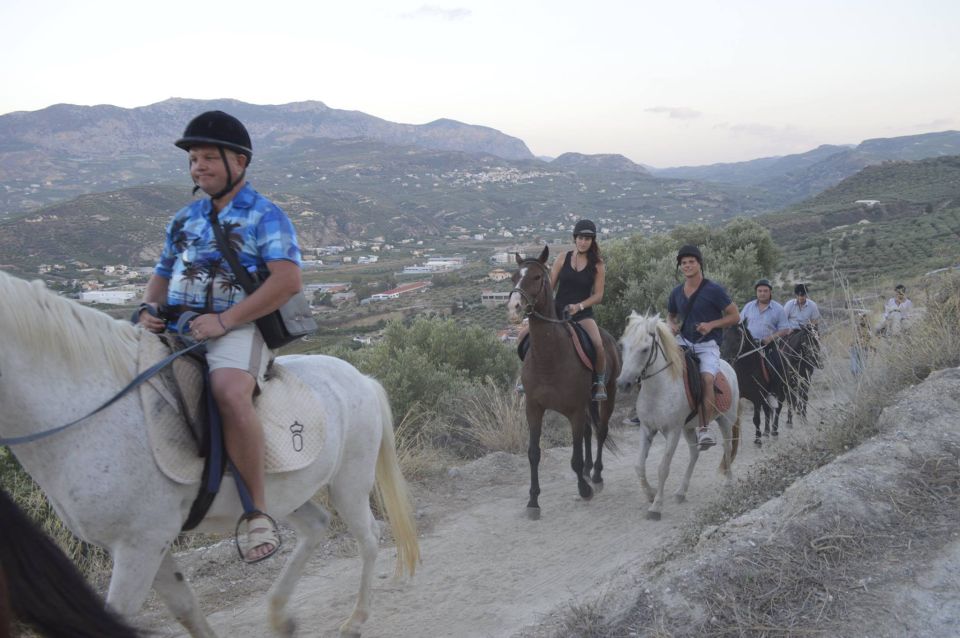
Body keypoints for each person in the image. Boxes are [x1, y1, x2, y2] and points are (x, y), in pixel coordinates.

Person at [136, 111, 303, 563]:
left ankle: (256, 513)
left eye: (209, 157)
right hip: (179, 323)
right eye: (193, 159)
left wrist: (226, 321)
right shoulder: (184, 217)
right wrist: (150, 309)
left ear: (240, 163)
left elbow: (287, 282)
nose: (198, 167)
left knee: (229, 391)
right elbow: (161, 274)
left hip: (240, 327)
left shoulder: (265, 215)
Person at [666, 245, 740, 449]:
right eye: (683, 263)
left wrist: (712, 325)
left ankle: (705, 429)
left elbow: (735, 315)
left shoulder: (714, 290)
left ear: (699, 264)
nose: (687, 265)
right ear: (680, 267)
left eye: (691, 262)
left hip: (707, 345)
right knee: (659, 366)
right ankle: (649, 414)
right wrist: (671, 326)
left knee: (707, 378)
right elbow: (670, 316)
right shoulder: (676, 293)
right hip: (684, 342)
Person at [549, 219, 608, 400]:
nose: (583, 242)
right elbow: (550, 286)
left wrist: (579, 306)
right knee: (525, 335)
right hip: (557, 312)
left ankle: (599, 383)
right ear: (575, 238)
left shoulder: (598, 264)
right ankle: (525, 377)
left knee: (598, 344)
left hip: (582, 314)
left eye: (588, 239)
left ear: (592, 241)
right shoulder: (561, 258)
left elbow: (598, 296)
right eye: (581, 238)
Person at [739, 279, 792, 397]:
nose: (762, 293)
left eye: (765, 291)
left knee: (778, 365)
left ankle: (773, 392)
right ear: (756, 292)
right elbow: (739, 324)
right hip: (749, 346)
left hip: (767, 345)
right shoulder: (748, 307)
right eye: (759, 291)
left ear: (770, 292)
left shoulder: (778, 308)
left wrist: (770, 338)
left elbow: (785, 329)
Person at [851, 310, 873, 377]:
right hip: (861, 346)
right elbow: (869, 337)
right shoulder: (867, 328)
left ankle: (856, 371)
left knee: (856, 358)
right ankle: (858, 372)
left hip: (859, 346)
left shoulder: (856, 326)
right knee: (860, 359)